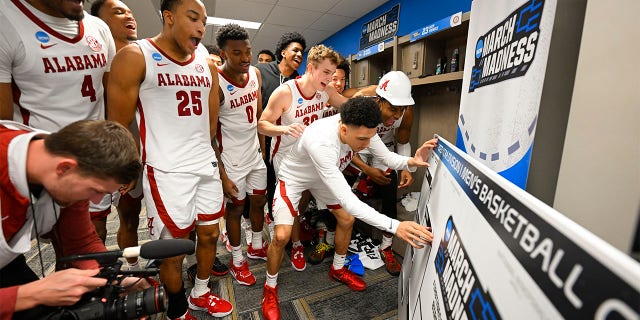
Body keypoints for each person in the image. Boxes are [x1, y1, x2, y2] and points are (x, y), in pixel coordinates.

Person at [106, 0, 232, 319]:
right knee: (173, 251)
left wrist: (218, 164)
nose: (201, 27)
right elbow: (117, 125)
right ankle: (177, 310)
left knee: (210, 235)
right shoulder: (136, 56)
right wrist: (126, 168)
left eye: (204, 20)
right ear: (169, 17)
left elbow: (212, 122)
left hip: (204, 166)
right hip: (166, 171)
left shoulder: (206, 60)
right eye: (193, 18)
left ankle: (200, 293)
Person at [260, 97, 435, 319]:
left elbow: (388, 157)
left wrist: (412, 160)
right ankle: (270, 289)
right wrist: (395, 226)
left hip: (322, 178)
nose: (366, 145)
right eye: (361, 140)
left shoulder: (364, 130)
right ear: (343, 129)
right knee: (282, 235)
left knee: (346, 220)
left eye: (369, 139)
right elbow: (350, 202)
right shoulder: (322, 141)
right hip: (296, 177)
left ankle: (338, 268)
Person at [0, 119, 144, 319]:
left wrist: (109, 278)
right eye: (95, 190)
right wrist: (29, 294)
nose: (95, 200)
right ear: (64, 168)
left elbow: (80, 243)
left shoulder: (63, 162)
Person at [0, 0, 118, 243]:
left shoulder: (98, 28)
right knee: (19, 243)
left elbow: (110, 98)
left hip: (92, 162)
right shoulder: (6, 20)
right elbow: (3, 125)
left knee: (91, 239)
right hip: (40, 169)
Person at [258, 44, 347, 272]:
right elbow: (262, 124)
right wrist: (284, 130)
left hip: (309, 155)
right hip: (286, 159)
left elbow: (345, 105)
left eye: (332, 74)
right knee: (293, 204)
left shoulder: (324, 90)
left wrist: (370, 105)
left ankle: (305, 239)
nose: (329, 79)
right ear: (310, 68)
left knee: (306, 200)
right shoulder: (286, 92)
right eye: (325, 73)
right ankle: (296, 244)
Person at [91, 0, 146, 271]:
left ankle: (133, 269)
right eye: (119, 12)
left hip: (136, 150)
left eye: (130, 12)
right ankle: (96, 278)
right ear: (99, 22)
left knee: (130, 217)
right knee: (94, 226)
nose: (129, 16)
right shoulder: (93, 59)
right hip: (100, 154)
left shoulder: (142, 56)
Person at [212, 23, 268, 286]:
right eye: (237, 53)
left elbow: (257, 118)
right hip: (231, 160)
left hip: (255, 156)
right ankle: (237, 260)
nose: (245, 58)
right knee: (235, 210)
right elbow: (210, 135)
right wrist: (222, 176)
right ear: (223, 54)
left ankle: (256, 245)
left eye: (248, 51)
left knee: (259, 203)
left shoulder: (255, 73)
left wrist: (263, 151)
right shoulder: (217, 83)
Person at [346, 71, 416, 276]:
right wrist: (366, 170)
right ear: (379, 100)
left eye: (401, 110)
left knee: (389, 188)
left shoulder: (405, 113)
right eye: (393, 109)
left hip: (383, 150)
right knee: (340, 189)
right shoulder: (361, 102)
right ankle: (333, 237)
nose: (396, 116)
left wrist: (404, 168)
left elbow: (402, 142)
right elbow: (345, 145)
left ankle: (386, 246)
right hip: (355, 148)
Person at [255, 32, 306, 236]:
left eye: (302, 52)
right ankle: (256, 222)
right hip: (259, 137)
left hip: (284, 140)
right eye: (295, 50)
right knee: (261, 185)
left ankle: (278, 220)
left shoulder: (298, 81)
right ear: (283, 52)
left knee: (281, 182)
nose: (299, 54)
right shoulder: (261, 71)